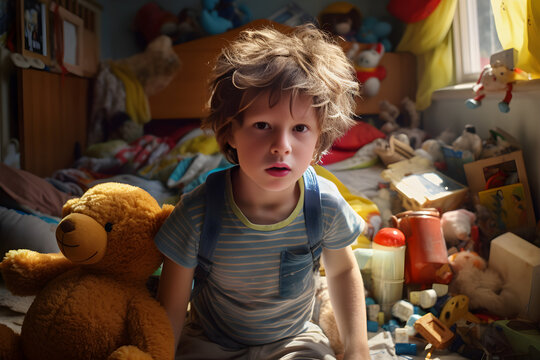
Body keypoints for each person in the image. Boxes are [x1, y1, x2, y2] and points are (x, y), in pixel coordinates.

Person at [155, 23, 370, 359]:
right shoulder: (197, 213)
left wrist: (358, 350)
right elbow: (170, 308)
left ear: (318, 141)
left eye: (299, 128)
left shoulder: (324, 205)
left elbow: (342, 271)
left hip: (293, 340)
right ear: (229, 133)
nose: (281, 147)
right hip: (211, 342)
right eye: (262, 126)